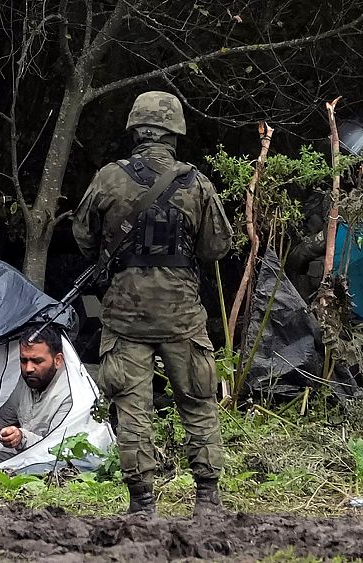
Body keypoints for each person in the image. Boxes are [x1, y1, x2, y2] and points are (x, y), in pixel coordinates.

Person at [72, 91, 233, 517]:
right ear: (175, 132)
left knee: (132, 410)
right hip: (181, 314)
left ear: (135, 130)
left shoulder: (109, 178)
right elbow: (217, 246)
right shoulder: (196, 182)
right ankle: (207, 498)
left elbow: (84, 238)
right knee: (198, 402)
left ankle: (142, 504)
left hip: (125, 315)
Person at [0, 325, 73, 474]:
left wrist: (21, 437)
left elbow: (57, 449)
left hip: (47, 466)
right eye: (24, 360)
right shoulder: (26, 383)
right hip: (18, 458)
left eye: (37, 361)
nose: (28, 368)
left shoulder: (71, 395)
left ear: (58, 360)